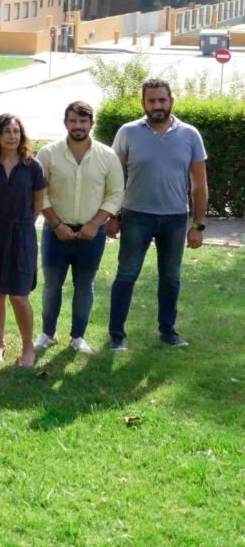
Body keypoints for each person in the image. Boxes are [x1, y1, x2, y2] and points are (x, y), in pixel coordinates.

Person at [107, 79, 208, 351]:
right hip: (135, 215)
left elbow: (199, 184)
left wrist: (198, 225)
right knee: (126, 275)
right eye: (151, 101)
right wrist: (112, 216)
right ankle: (117, 335)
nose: (157, 106)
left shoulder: (190, 135)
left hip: (175, 218)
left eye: (162, 100)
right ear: (143, 103)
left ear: (171, 100)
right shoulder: (128, 132)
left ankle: (168, 332)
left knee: (171, 277)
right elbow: (114, 179)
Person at [33, 102, 124, 356]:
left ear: (91, 124)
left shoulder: (107, 156)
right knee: (52, 285)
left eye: (83, 122)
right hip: (55, 232)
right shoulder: (48, 153)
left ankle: (78, 337)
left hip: (92, 234)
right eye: (73, 121)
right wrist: (57, 224)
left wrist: (95, 224)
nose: (78, 126)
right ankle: (48, 333)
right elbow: (40, 193)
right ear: (66, 123)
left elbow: (116, 194)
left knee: (85, 286)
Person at [0, 114, 47, 368]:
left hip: (22, 234)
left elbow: (38, 204)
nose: (12, 136)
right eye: (6, 132)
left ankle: (28, 349)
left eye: (16, 131)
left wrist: (21, 224)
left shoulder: (33, 166)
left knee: (19, 295)